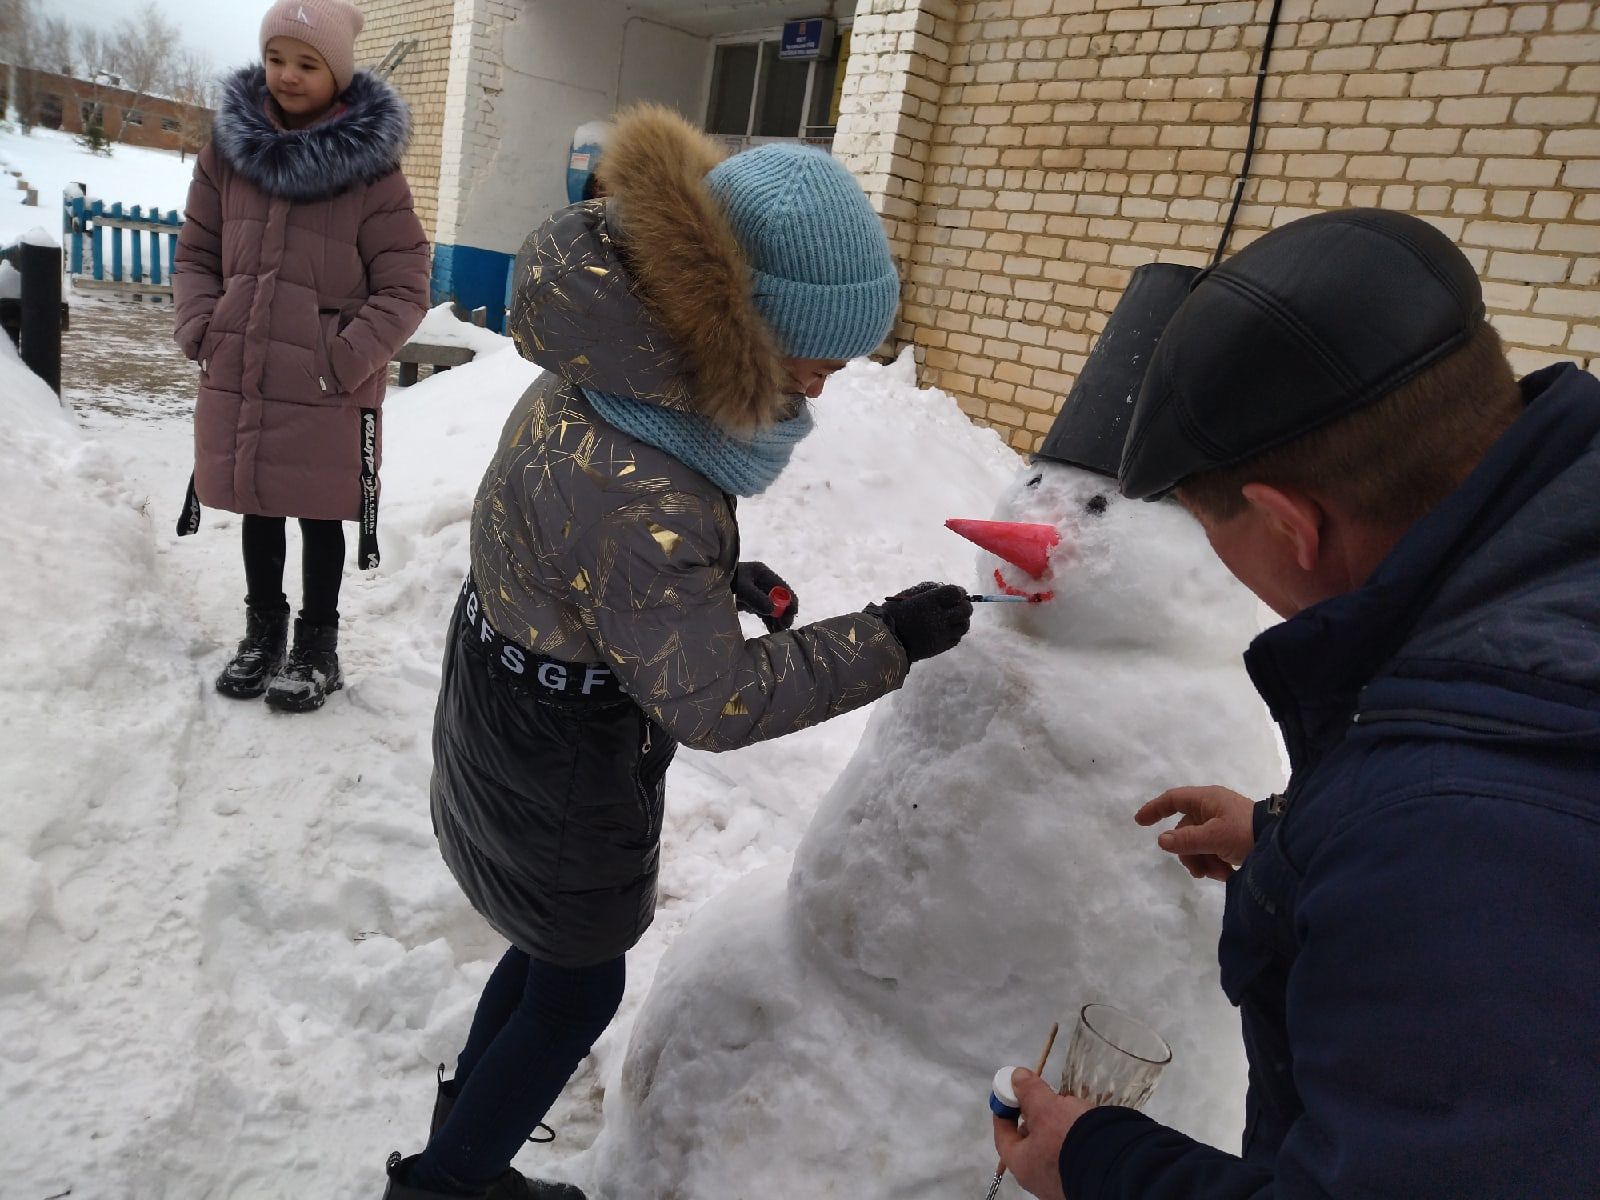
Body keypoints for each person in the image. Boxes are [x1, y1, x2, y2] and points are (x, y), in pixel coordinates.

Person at [382, 105, 974, 1199]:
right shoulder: (653, 481)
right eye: (814, 363)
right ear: (740, 324)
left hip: (502, 703)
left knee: (545, 952)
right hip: (566, 765)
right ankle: (451, 1183)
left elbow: (566, 538)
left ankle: (461, 1129)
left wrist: (704, 583)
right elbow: (715, 703)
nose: (821, 388)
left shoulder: (596, 379)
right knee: (577, 987)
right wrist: (887, 638)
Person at [993, 208, 1600, 1199]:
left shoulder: (1459, 833)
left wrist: (1095, 1162)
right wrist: (1296, 842)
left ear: (1287, 521)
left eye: (1209, 531)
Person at [172, 0, 430, 713]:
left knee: (319, 514)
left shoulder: (370, 172)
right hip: (246, 369)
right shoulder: (228, 153)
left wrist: (342, 359)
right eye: (278, 57)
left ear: (338, 73)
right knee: (260, 506)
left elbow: (406, 285)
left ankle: (318, 644)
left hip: (324, 383)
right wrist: (202, 325)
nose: (288, 74)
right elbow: (196, 252)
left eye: (307, 63)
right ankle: (263, 632)